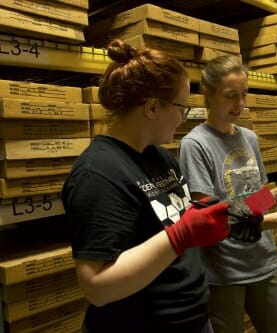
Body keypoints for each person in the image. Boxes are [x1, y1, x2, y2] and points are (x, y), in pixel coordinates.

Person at [62, 39, 232, 333]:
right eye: (182, 109)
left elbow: (173, 221)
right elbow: (96, 287)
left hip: (193, 319)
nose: (183, 120)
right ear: (153, 108)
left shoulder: (160, 156)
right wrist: (181, 235)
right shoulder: (98, 173)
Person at [178, 55, 277, 333]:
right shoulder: (195, 145)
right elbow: (210, 220)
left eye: (244, 94)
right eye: (231, 96)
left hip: (263, 259)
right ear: (209, 95)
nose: (240, 105)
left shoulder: (248, 138)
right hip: (225, 271)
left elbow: (253, 201)